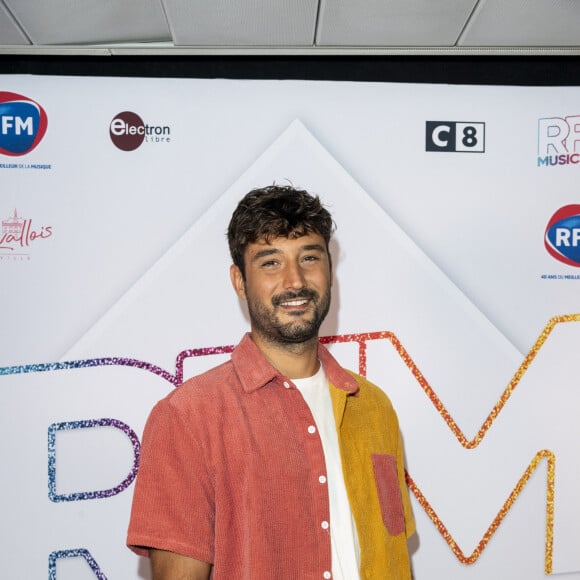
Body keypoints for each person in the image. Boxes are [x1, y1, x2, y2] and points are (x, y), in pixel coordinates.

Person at [127, 185, 415, 579]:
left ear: (330, 270)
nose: (295, 281)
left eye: (309, 257)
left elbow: (391, 556)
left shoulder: (373, 405)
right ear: (240, 281)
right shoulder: (188, 416)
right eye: (270, 263)